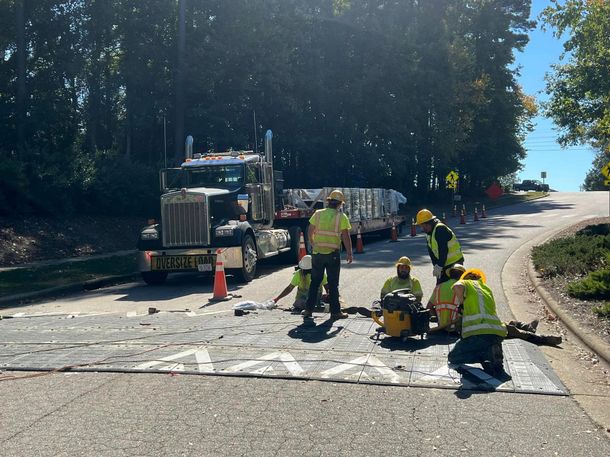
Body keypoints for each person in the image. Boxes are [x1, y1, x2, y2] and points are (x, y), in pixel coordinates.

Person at [429, 265, 562, 345]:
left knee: (501, 324)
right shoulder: (466, 287)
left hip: (445, 326)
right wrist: (461, 306)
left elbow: (429, 307)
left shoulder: (439, 288)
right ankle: (540, 337)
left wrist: (439, 317)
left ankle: (524, 326)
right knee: (505, 329)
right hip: (461, 327)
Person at [448, 268, 508, 376]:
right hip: (497, 332)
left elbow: (457, 286)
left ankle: (484, 355)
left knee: (453, 357)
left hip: (477, 332)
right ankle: (493, 354)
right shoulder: (487, 288)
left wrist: (461, 303)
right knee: (487, 343)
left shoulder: (466, 283)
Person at [304, 189, 353, 320]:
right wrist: (349, 252)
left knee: (315, 282)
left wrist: (313, 243)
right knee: (332, 284)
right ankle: (335, 312)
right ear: (340, 204)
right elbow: (346, 236)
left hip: (318, 253)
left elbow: (310, 230)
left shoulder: (318, 214)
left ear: (329, 201)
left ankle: (308, 310)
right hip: (333, 254)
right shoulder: (341, 217)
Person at [416, 209, 464, 284]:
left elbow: (443, 249)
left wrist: (439, 266)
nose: (421, 228)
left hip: (455, 263)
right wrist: (436, 265)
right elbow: (431, 251)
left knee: (456, 289)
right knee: (441, 289)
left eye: (421, 225)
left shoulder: (440, 229)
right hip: (443, 264)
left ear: (427, 224)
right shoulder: (429, 233)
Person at [426, 263, 465, 333]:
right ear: (462, 276)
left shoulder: (438, 287)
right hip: (457, 327)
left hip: (441, 327)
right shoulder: (463, 288)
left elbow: (429, 307)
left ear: (450, 274)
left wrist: (438, 317)